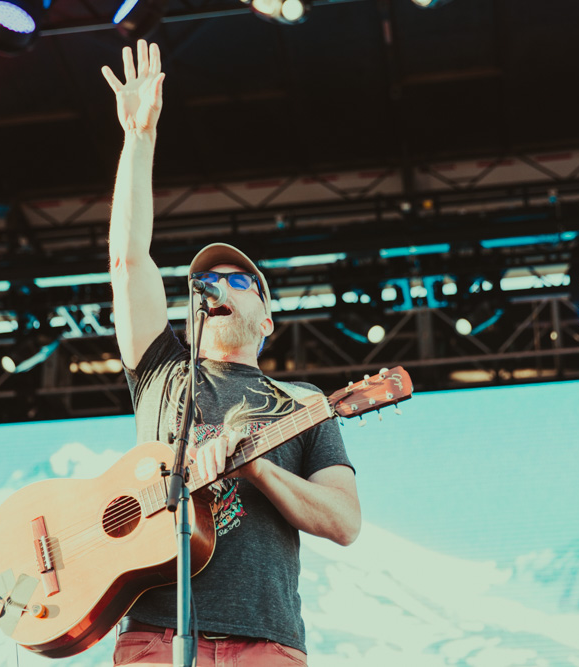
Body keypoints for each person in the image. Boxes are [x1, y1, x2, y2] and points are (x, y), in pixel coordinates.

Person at [102, 40, 361, 667]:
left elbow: (344, 520)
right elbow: (128, 259)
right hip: (156, 637)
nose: (217, 287)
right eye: (207, 283)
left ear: (267, 318)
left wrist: (261, 472)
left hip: (264, 644)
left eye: (238, 281)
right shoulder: (162, 370)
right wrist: (139, 138)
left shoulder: (302, 406)